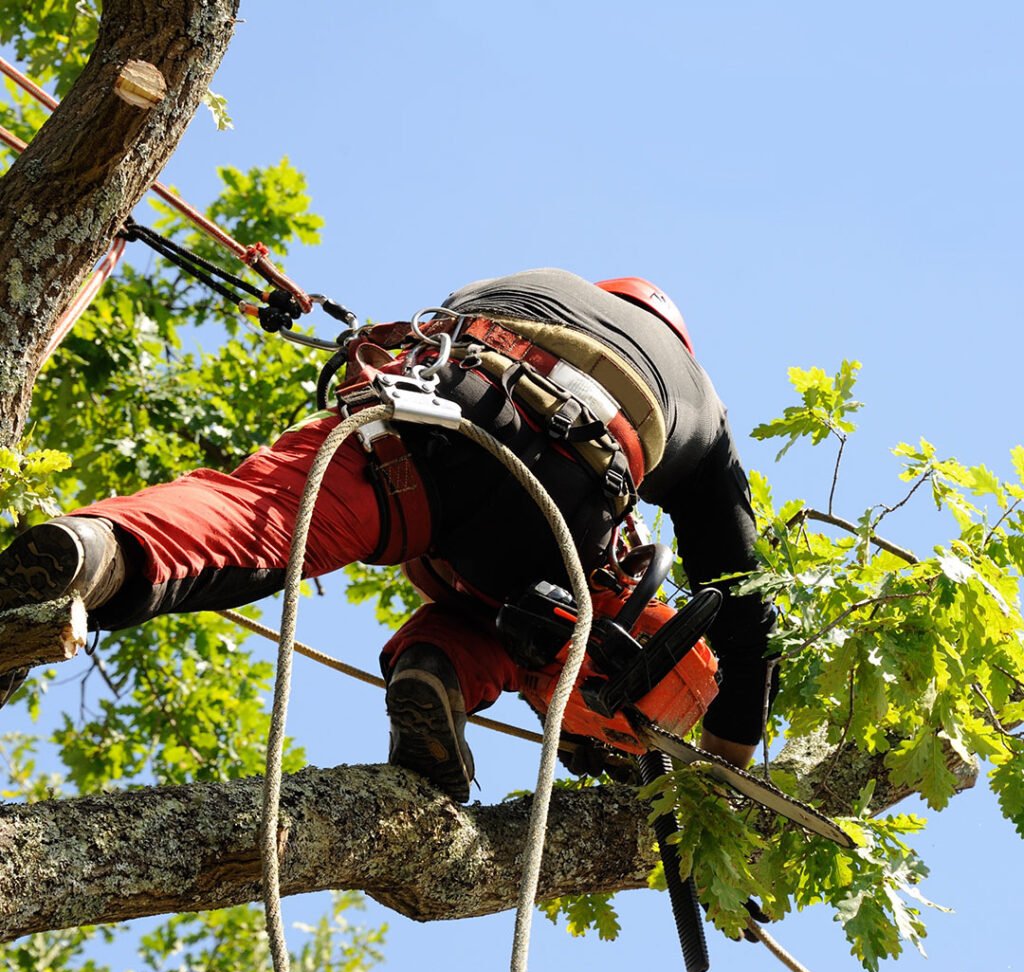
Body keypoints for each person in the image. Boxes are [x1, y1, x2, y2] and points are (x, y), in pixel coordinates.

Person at [0, 269, 777, 800]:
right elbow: (743, 594)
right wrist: (728, 757)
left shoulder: (526, 284)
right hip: (567, 495)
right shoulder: (698, 401)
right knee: (577, 613)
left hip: (431, 414)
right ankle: (472, 680)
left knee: (261, 514)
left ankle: (96, 552)